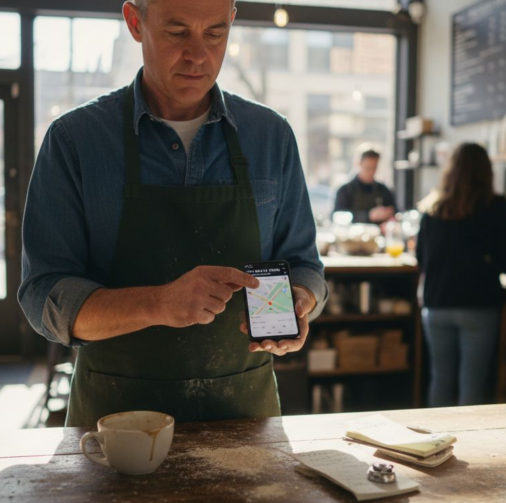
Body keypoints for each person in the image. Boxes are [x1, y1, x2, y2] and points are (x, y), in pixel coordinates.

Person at [18, 0, 327, 427]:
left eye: (215, 34)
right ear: (135, 22)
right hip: (114, 428)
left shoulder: (271, 137)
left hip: (244, 423)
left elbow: (305, 264)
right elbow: (44, 297)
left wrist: (299, 300)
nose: (198, 54)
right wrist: (159, 303)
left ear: (232, 23)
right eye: (178, 32)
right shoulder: (76, 141)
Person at [415, 143, 506, 407]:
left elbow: (420, 259)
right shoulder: (495, 206)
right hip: (478, 306)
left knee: (440, 379)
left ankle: (431, 444)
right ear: (486, 171)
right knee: (471, 383)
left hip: (436, 305)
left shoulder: (433, 208)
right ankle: (468, 447)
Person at [333, 148, 396, 224]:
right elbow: (337, 216)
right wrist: (368, 215)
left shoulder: (383, 190)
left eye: (374, 168)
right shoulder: (345, 190)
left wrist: (386, 213)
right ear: (359, 164)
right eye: (368, 168)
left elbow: (394, 211)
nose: (371, 172)